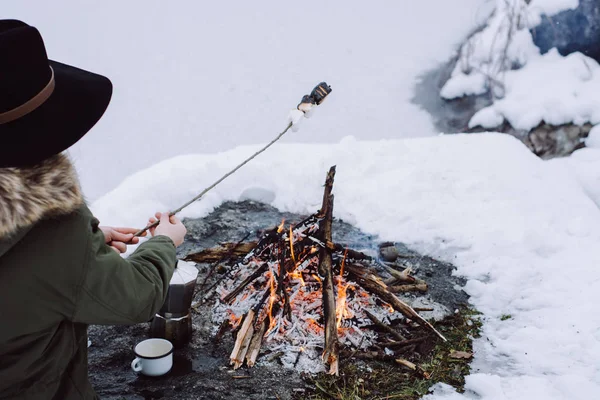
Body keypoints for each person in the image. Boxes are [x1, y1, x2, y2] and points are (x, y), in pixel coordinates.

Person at [0, 20, 187, 399]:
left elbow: (26, 274)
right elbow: (137, 297)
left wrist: (88, 246)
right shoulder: (52, 227)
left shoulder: (48, 237)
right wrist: (164, 244)